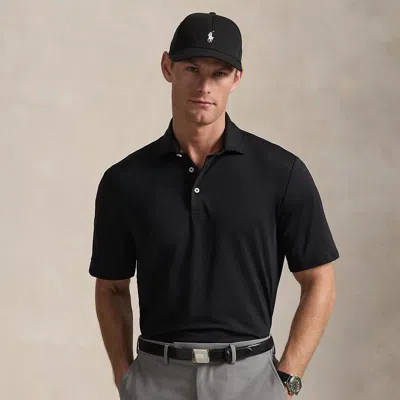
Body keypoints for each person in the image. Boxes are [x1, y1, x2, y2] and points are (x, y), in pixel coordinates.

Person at [88, 11, 339, 400]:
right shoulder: (124, 181)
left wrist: (288, 379)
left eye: (219, 73)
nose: (204, 86)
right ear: (167, 67)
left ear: (236, 79)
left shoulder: (281, 172)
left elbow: (319, 280)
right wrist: (126, 378)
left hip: (251, 381)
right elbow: (111, 288)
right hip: (156, 380)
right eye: (192, 69)